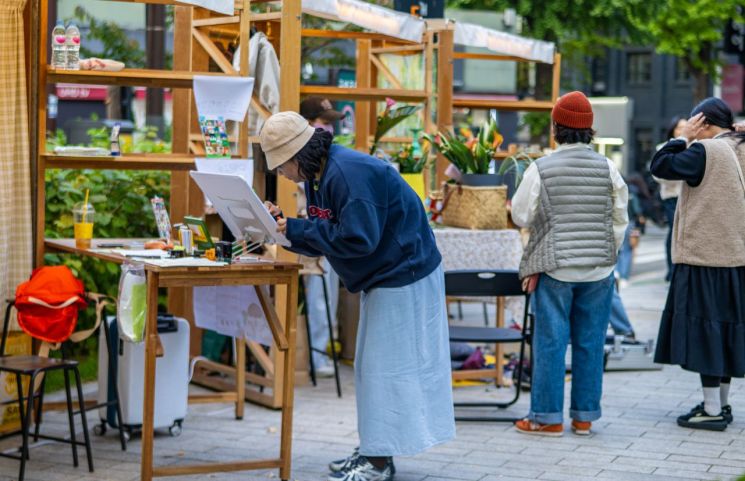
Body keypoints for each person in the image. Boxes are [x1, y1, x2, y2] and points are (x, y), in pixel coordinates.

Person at [260, 111, 455, 480]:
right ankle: (373, 449)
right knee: (372, 369)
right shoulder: (322, 172)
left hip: (403, 270)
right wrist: (290, 227)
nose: (281, 174)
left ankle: (378, 460)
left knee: (384, 370)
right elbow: (332, 228)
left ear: (296, 156)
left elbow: (357, 239)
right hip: (389, 271)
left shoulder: (347, 173)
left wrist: (298, 228)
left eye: (281, 166)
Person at [511, 91, 628, 437]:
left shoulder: (540, 168)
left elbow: (520, 215)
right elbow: (620, 220)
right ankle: (584, 417)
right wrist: (607, 254)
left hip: (556, 267)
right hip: (599, 270)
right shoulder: (608, 168)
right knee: (590, 342)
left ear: (556, 128)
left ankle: (546, 418)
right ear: (589, 129)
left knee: (550, 342)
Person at [652, 98, 745, 432]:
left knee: (707, 333)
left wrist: (681, 138)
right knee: (726, 331)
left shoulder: (706, 150)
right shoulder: (739, 147)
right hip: (736, 254)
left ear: (703, 123)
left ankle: (710, 410)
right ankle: (721, 403)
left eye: (694, 122)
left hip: (705, 254)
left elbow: (660, 165)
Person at [297, 97, 346, 377]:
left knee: (325, 296)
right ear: (307, 123)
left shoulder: (328, 160)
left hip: (320, 231)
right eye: (324, 122)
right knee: (319, 297)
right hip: (308, 232)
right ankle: (315, 354)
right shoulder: (302, 159)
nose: (329, 129)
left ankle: (318, 353)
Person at [655, 116, 687, 281]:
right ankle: (671, 269)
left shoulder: (693, 148)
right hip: (671, 197)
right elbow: (658, 175)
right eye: (679, 127)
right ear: (673, 129)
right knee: (673, 232)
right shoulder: (664, 148)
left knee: (684, 233)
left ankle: (680, 268)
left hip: (687, 197)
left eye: (684, 126)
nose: (682, 130)